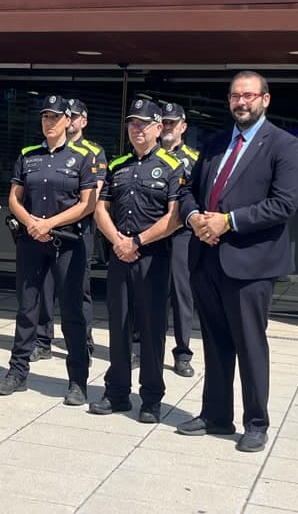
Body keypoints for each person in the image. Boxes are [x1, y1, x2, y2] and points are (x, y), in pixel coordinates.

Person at [176, 71, 298, 452]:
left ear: (265, 99)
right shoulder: (214, 143)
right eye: (235, 96)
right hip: (207, 258)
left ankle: (256, 422)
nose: (241, 102)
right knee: (215, 342)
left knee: (249, 344)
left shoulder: (284, 145)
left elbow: (284, 204)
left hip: (251, 263)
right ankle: (216, 414)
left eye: (249, 96)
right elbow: (187, 193)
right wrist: (195, 218)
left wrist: (228, 222)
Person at [0, 95, 96, 405]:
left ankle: (77, 380)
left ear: (68, 120)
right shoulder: (28, 155)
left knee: (73, 312)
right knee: (27, 309)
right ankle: (18, 371)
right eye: (44, 117)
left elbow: (87, 203)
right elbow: (14, 197)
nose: (48, 123)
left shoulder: (82, 157)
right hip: (31, 242)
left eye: (54, 117)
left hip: (67, 244)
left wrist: (48, 223)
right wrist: (31, 224)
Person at [88, 99, 183, 422]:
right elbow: (100, 209)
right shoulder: (117, 166)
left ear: (159, 128)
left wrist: (138, 241)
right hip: (119, 254)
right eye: (132, 123)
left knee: (152, 327)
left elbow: (175, 217)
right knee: (119, 324)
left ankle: (152, 397)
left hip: (153, 257)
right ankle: (117, 392)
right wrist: (118, 241)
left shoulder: (172, 166)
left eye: (143, 123)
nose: (137, 128)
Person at [33, 98, 106, 362]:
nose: (71, 120)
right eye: (69, 116)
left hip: (77, 230)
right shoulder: (43, 151)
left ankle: (82, 338)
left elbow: (93, 196)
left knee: (78, 288)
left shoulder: (93, 152)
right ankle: (42, 340)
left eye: (75, 117)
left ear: (83, 121)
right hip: (43, 230)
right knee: (44, 286)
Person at [160, 102, 200, 377]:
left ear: (183, 127)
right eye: (163, 122)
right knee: (148, 292)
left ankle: (183, 352)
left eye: (172, 123)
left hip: (181, 235)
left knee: (182, 294)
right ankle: (141, 346)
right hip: (151, 233)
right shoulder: (148, 156)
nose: (167, 127)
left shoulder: (194, 160)